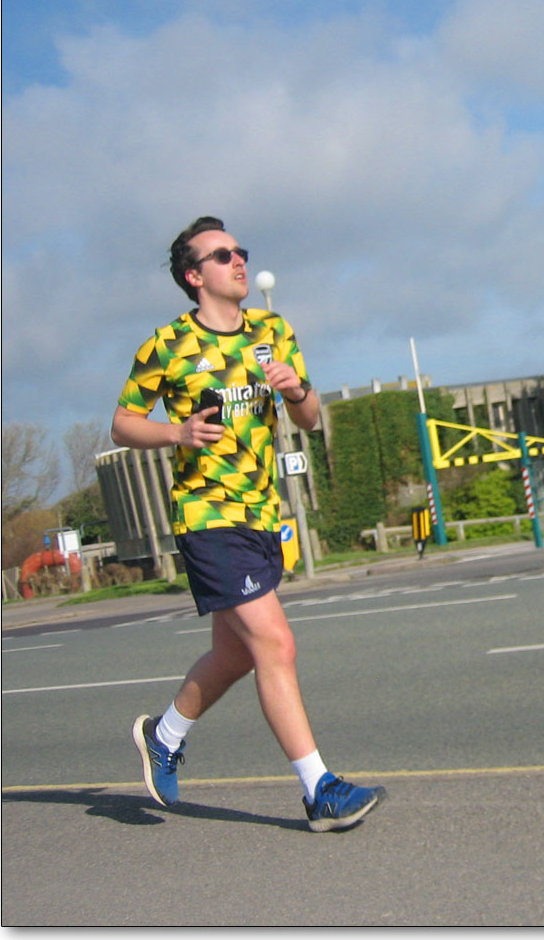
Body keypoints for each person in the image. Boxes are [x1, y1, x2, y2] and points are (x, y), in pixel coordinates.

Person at [111, 215, 385, 832]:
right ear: (194, 275)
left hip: (263, 515)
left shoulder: (272, 330)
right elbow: (123, 423)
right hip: (207, 516)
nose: (238, 261)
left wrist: (295, 390)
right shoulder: (167, 345)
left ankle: (164, 735)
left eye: (240, 251)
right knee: (275, 643)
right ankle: (320, 790)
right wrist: (175, 432)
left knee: (235, 654)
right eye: (222, 255)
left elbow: (311, 418)